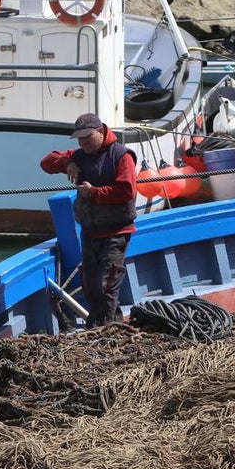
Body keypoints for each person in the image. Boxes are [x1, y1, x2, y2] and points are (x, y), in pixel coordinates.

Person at [40, 112, 137, 327]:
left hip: (117, 232)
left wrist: (94, 192)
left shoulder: (121, 156)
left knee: (107, 284)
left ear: (101, 132)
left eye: (88, 137)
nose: (84, 142)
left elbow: (127, 191)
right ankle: (111, 325)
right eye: (80, 139)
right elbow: (46, 163)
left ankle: (103, 329)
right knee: (92, 287)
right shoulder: (80, 155)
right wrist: (67, 163)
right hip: (90, 232)